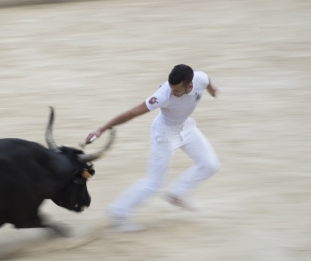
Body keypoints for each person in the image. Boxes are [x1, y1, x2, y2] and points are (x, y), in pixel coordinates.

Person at [85, 64, 220, 232]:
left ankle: (177, 193)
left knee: (210, 165)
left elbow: (207, 83)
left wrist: (212, 90)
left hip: (186, 128)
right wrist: (102, 129)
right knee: (154, 183)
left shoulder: (200, 78)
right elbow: (132, 113)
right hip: (164, 134)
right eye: (171, 88)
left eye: (177, 90)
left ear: (190, 85)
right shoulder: (164, 94)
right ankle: (118, 213)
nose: (173, 92)